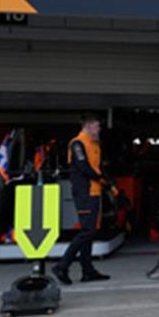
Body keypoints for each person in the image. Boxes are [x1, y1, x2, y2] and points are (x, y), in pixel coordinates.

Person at [52, 114, 109, 285]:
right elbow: (84, 168)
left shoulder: (94, 144)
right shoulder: (77, 143)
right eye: (97, 126)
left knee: (90, 231)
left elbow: (97, 167)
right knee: (87, 231)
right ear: (88, 126)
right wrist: (101, 178)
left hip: (94, 191)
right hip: (84, 192)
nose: (99, 130)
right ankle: (62, 266)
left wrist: (106, 180)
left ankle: (87, 271)